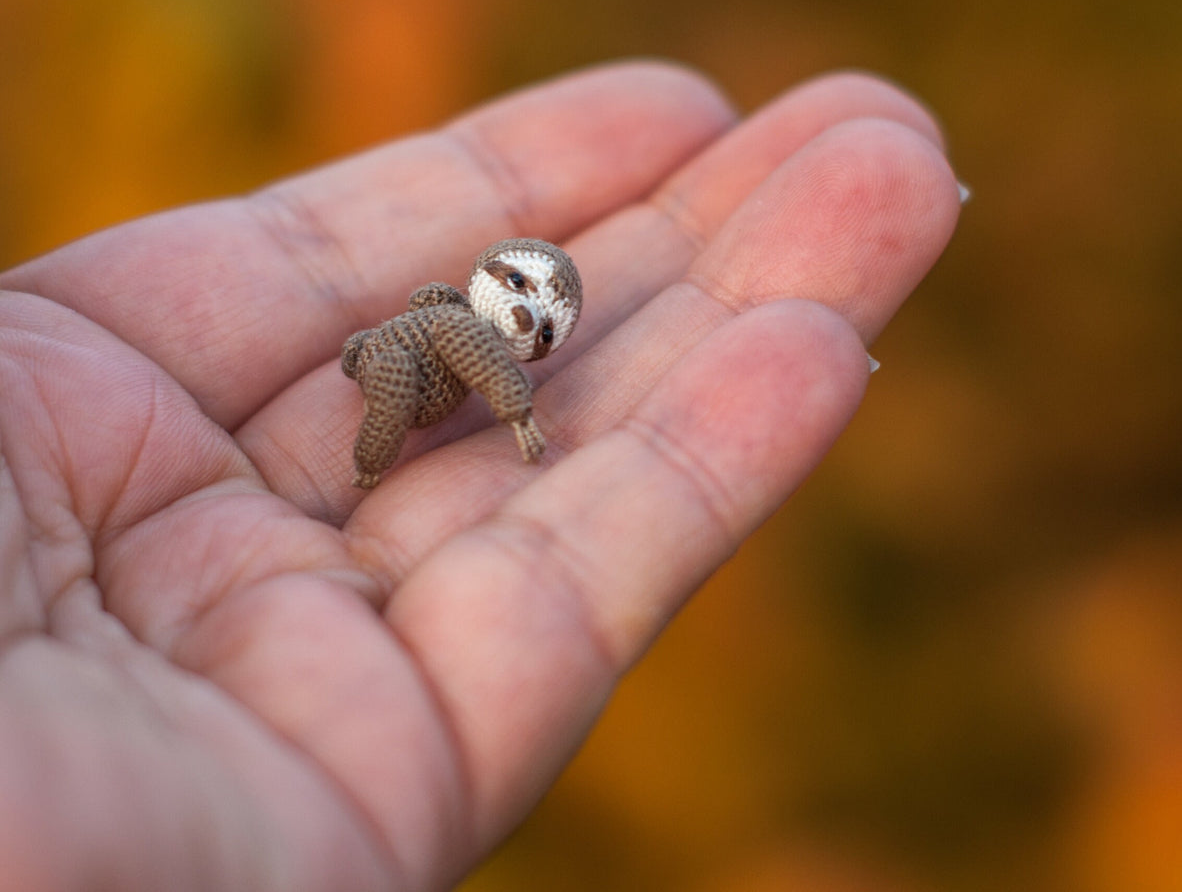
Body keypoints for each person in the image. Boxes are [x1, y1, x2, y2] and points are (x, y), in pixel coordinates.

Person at [0, 61, 961, 891]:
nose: (534, 332)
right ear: (502, 291)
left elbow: (488, 353)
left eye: (551, 322)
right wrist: (515, 420)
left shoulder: (469, 324)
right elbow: (484, 364)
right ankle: (375, 452)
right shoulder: (461, 331)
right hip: (390, 367)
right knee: (380, 421)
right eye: (532, 308)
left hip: (403, 365)